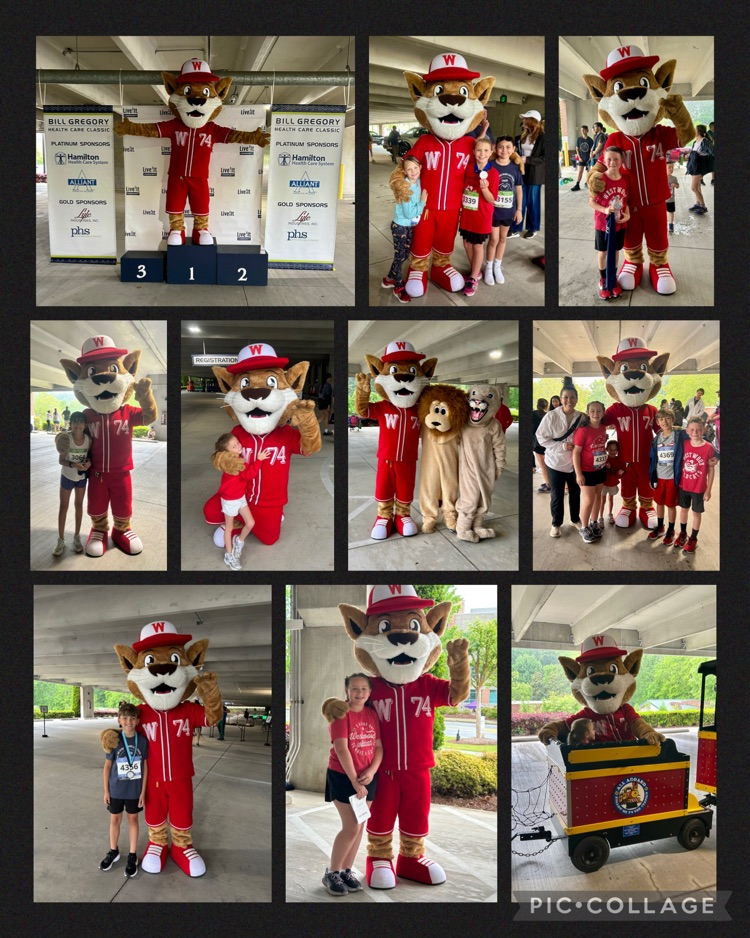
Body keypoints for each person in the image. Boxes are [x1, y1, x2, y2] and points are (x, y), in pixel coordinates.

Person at [323, 673, 383, 897]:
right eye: (355, 689)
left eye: (364, 689)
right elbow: (341, 748)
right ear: (346, 690)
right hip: (343, 776)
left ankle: (346, 871)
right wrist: (353, 781)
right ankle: (332, 872)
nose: (359, 693)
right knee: (350, 827)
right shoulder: (341, 714)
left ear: (370, 692)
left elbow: (378, 746)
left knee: (359, 827)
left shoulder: (371, 714)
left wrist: (371, 771)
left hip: (367, 777)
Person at [101, 702, 148, 878]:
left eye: (132, 718)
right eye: (125, 718)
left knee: (133, 821)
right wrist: (106, 791)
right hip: (116, 790)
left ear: (137, 721)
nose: (129, 721)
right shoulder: (114, 739)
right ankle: (113, 851)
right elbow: (107, 766)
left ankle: (133, 855)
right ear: (119, 720)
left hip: (134, 790)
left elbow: (145, 766)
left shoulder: (142, 741)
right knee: (115, 821)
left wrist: (143, 792)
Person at [212, 432, 270, 571]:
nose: (238, 445)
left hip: (240, 497)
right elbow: (249, 475)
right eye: (234, 445)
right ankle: (229, 555)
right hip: (230, 500)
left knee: (250, 523)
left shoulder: (233, 458)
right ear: (227, 451)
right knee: (229, 527)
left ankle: (239, 541)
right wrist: (259, 459)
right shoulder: (233, 462)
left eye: (238, 442)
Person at [534, 379, 584, 538]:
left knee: (575, 493)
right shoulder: (551, 416)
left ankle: (576, 519)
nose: (569, 400)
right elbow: (541, 438)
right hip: (555, 462)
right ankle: (556, 524)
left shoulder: (581, 417)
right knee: (557, 495)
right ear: (561, 399)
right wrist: (562, 446)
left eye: (572, 397)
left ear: (577, 399)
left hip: (575, 463)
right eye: (565, 397)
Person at [459, 137, 499, 297]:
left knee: (477, 246)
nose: (482, 154)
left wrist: (485, 189)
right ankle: (475, 271)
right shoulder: (468, 169)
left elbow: (492, 199)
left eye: (485, 150)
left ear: (491, 152)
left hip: (481, 216)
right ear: (474, 152)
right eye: (478, 150)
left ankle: (473, 277)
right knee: (467, 244)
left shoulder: (493, 173)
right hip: (467, 214)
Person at [383, 155, 426, 302]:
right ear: (405, 171)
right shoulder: (405, 187)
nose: (413, 171)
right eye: (409, 169)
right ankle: (398, 286)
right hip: (400, 226)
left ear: (420, 167)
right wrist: (422, 202)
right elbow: (409, 213)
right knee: (400, 257)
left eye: (415, 167)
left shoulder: (419, 182)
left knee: (404, 255)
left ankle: (389, 279)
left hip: (408, 227)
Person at [589, 145, 630, 299]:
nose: (613, 162)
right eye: (609, 159)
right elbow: (591, 202)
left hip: (619, 223)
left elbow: (626, 201)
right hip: (603, 224)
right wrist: (605, 210)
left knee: (616, 250)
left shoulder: (626, 179)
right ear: (604, 161)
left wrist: (628, 215)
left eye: (616, 159)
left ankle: (613, 279)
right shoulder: (599, 179)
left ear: (621, 161)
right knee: (603, 252)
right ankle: (603, 279)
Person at [674, 416, 717, 553]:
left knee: (696, 513)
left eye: (698, 430)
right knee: (684, 510)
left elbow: (711, 469)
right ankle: (682, 534)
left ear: (704, 430)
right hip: (684, 486)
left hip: (699, 488)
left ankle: (693, 538)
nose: (695, 432)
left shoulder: (708, 447)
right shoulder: (684, 444)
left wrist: (708, 490)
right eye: (692, 429)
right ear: (687, 430)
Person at [484, 136, 523, 285]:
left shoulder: (515, 167)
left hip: (509, 211)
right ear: (495, 148)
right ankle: (488, 267)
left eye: (508, 147)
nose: (504, 150)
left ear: (513, 149)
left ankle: (497, 266)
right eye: (501, 147)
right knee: (493, 239)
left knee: (502, 238)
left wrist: (519, 209)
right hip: (493, 211)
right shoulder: (490, 166)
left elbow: (518, 189)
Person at [53, 411, 91, 557]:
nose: (78, 425)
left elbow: (90, 457)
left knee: (79, 506)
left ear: (85, 425)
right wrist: (73, 465)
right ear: (71, 424)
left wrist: (88, 463)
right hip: (67, 477)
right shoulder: (66, 439)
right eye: (75, 422)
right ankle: (61, 539)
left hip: (81, 479)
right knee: (64, 507)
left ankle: (76, 537)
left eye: (81, 422)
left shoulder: (89, 440)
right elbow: (61, 460)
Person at [648, 408, 687, 545]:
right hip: (659, 477)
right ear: (657, 422)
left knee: (670, 505)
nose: (664, 421)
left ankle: (671, 530)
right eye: (661, 419)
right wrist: (652, 476)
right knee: (659, 503)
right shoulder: (656, 438)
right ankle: (660, 527)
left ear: (673, 419)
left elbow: (696, 439)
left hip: (672, 478)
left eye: (667, 418)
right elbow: (653, 458)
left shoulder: (680, 435)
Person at [572, 401, 608, 542]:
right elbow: (576, 453)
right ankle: (584, 527)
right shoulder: (583, 430)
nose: (596, 414)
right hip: (586, 470)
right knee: (588, 500)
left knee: (598, 497)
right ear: (587, 412)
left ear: (603, 412)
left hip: (600, 469)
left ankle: (594, 523)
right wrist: (578, 473)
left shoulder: (603, 428)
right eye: (592, 411)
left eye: (599, 411)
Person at [509, 110, 544, 238]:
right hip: (521, 172)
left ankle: (533, 227)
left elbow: (545, 158)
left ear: (532, 121)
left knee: (532, 202)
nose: (523, 121)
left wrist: (527, 160)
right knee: (519, 200)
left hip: (535, 174)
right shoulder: (521, 137)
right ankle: (515, 228)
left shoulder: (543, 138)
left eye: (525, 119)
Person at [686, 125, 713, 215]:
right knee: (697, 187)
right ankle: (698, 204)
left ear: (699, 131)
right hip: (694, 166)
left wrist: (701, 155)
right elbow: (694, 152)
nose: (694, 131)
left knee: (693, 188)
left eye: (695, 130)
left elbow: (711, 152)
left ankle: (703, 206)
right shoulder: (695, 141)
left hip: (699, 167)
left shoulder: (705, 141)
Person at [601, 438, 625, 525]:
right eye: (610, 449)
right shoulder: (604, 458)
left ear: (617, 450)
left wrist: (619, 475)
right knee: (602, 501)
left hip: (612, 484)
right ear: (607, 449)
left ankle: (610, 514)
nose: (612, 451)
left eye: (615, 450)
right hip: (603, 484)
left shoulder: (618, 460)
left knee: (611, 499)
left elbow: (620, 472)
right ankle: (600, 517)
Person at [532, 398, 551, 492]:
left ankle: (548, 484)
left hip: (538, 443)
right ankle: (552, 482)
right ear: (547, 405)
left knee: (543, 465)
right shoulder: (549, 415)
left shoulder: (533, 414)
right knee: (550, 464)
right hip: (548, 443)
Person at [571, 126, 592, 191]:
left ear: (587, 130)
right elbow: (577, 149)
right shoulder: (579, 139)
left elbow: (591, 150)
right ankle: (577, 184)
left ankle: (587, 183)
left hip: (588, 158)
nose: (583, 131)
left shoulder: (590, 140)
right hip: (581, 158)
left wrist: (590, 158)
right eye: (582, 130)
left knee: (588, 172)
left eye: (584, 130)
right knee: (580, 171)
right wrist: (579, 157)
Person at [666, 160, 680, 233]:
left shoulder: (674, 178)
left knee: (671, 212)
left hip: (671, 199)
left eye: (672, 167)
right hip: (662, 200)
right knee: (662, 212)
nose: (671, 169)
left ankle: (671, 224)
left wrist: (675, 185)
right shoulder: (661, 178)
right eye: (669, 167)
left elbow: (678, 186)